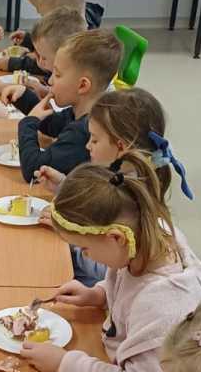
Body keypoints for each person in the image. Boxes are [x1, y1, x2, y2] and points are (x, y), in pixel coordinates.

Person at [25, 152, 201, 372]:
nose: (84, 255)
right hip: (121, 371)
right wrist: (99, 294)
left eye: (85, 248)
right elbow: (128, 282)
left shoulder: (161, 304)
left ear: (116, 237)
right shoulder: (146, 235)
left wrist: (62, 364)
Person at [34, 85, 182, 286]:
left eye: (94, 140)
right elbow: (97, 210)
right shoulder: (124, 178)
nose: (88, 146)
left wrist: (73, 235)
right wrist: (62, 185)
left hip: (95, 283)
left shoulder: (131, 199)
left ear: (121, 146)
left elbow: (105, 271)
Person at [14, 28, 123, 184]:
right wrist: (24, 97)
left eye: (57, 75)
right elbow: (53, 124)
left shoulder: (83, 131)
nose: (50, 81)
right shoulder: (83, 113)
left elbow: (33, 170)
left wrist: (27, 123)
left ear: (82, 85)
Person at [0, 0, 102, 74]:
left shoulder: (76, 40)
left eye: (45, 14)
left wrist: (15, 64)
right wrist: (30, 40)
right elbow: (52, 47)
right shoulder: (74, 26)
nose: (38, 12)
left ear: (63, 14)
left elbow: (51, 64)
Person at [0, 5, 86, 97]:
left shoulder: (73, 82)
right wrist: (28, 40)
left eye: (44, 58)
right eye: (37, 54)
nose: (39, 61)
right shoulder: (65, 68)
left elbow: (54, 98)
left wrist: (5, 88)